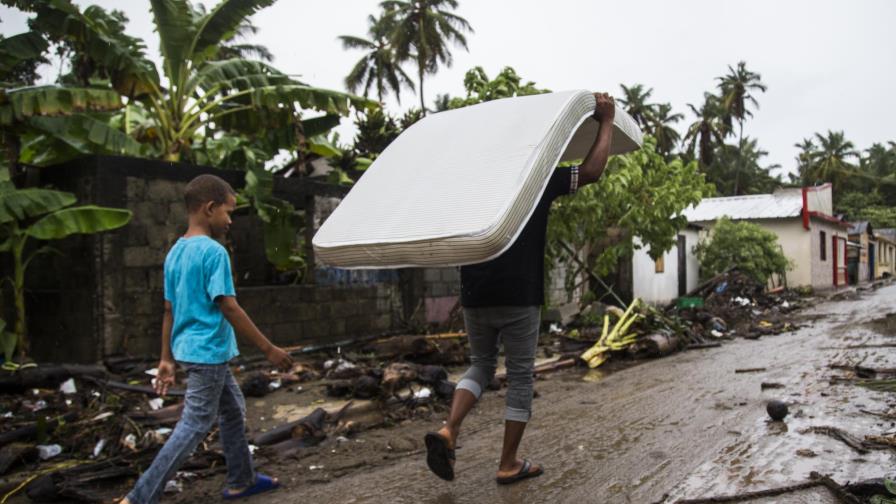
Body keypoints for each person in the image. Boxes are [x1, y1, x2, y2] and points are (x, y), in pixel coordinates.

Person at [424, 93, 616, 484]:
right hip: (519, 294)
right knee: (521, 376)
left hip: (475, 290)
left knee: (480, 365)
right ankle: (508, 463)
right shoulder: (538, 177)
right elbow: (592, 171)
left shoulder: (470, 185)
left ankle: (449, 430)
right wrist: (606, 121)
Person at [121, 174, 294, 504]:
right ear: (209, 208)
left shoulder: (176, 252)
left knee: (232, 409)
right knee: (195, 424)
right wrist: (268, 349)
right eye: (228, 212)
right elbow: (228, 305)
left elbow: (169, 311)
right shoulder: (214, 253)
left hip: (190, 350)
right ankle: (139, 497)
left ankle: (241, 480)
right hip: (208, 352)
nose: (230, 220)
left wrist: (166, 359)